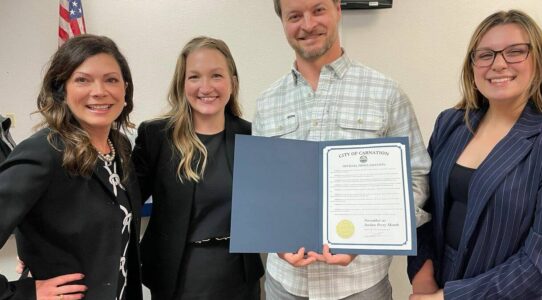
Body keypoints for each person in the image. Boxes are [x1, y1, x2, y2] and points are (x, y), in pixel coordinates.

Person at [253, 0, 431, 299]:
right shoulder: (267, 102)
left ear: (338, 8)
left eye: (318, 9)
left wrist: (367, 237)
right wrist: (275, 240)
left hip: (360, 287)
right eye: (294, 15)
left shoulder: (386, 93)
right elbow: (259, 188)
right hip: (285, 287)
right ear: (282, 22)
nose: (308, 24)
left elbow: (416, 180)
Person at [408, 10, 542, 300]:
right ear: (472, 66)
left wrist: (449, 297)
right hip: (439, 286)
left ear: (539, 61)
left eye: (515, 52)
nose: (498, 64)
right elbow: (423, 208)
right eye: (485, 55)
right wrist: (423, 277)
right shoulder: (451, 123)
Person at [0, 34, 142, 299]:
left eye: (111, 79)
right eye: (82, 80)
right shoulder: (44, 151)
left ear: (125, 89)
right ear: (61, 89)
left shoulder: (118, 147)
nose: (99, 91)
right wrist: (24, 293)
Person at [132, 36, 264, 300]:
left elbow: (276, 203)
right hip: (176, 278)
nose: (206, 87)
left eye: (216, 75)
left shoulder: (253, 136)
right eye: (194, 77)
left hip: (238, 279)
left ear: (232, 82)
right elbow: (124, 203)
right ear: (182, 84)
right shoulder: (156, 136)